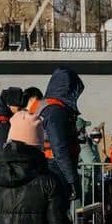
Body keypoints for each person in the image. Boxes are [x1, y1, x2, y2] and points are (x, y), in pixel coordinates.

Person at [28, 68, 84, 198]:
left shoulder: (43, 107)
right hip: (55, 168)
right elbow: (59, 148)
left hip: (43, 165)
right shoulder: (56, 111)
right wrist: (72, 180)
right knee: (58, 213)